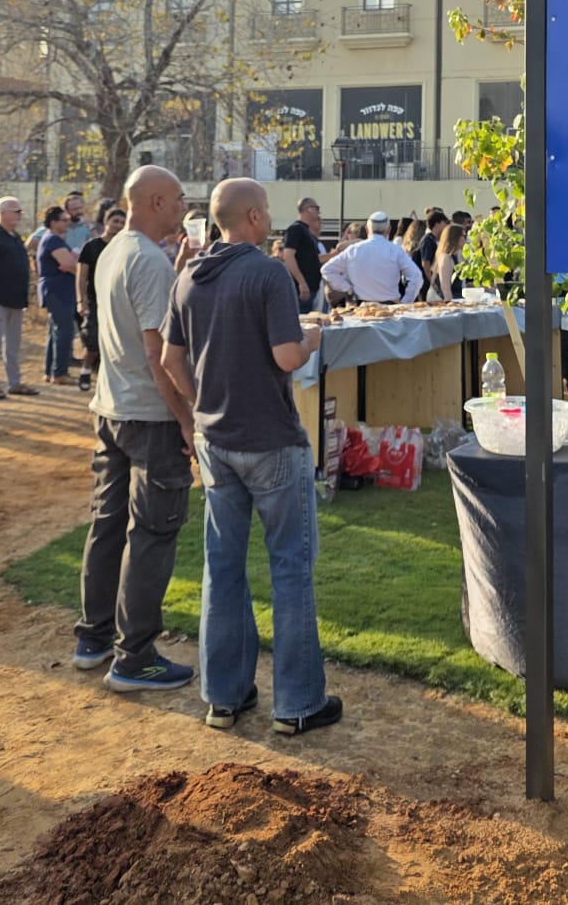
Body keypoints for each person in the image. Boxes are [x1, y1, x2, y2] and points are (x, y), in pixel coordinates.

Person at [162, 178, 341, 736]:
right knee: (290, 568)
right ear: (256, 217)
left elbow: (170, 359)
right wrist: (311, 339)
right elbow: (287, 356)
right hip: (270, 440)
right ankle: (298, 703)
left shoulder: (188, 274)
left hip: (216, 439)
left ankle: (224, 696)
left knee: (223, 569)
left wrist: (202, 402)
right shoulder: (266, 273)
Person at [75, 167, 197, 692]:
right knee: (151, 533)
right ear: (156, 201)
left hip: (112, 408)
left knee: (109, 524)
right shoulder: (147, 259)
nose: (184, 207)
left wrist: (177, 268)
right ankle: (135, 658)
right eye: (178, 199)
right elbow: (157, 353)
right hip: (147, 416)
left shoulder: (115, 250)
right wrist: (187, 419)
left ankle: (94, 637)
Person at [0, 197, 36, 399]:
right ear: (2, 213)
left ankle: (14, 382)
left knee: (13, 345)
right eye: (16, 211)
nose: (20, 215)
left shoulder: (16, 237)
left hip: (16, 299)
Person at [319, 212, 422, 305]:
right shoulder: (396, 251)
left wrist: (347, 288)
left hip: (361, 307)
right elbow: (416, 277)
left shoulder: (354, 250)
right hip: (389, 308)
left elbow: (327, 270)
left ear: (367, 229)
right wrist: (405, 302)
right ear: (389, 229)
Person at [76, 202, 124, 393]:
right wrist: (81, 301)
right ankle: (85, 369)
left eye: (122, 223)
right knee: (93, 340)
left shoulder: (123, 248)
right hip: (94, 300)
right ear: (106, 222)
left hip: (117, 301)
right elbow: (81, 277)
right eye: (115, 221)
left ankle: (108, 379)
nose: (118, 225)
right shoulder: (91, 247)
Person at [36, 205, 83, 383]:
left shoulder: (53, 239)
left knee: (55, 331)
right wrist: (80, 270)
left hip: (58, 290)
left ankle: (51, 371)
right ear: (53, 222)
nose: (67, 223)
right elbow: (69, 264)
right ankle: (60, 373)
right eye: (64, 220)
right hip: (58, 290)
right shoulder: (52, 240)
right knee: (65, 331)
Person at [278, 198, 326, 314]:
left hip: (310, 289)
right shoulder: (296, 229)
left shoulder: (307, 232)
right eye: (317, 208)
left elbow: (313, 259)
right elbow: (288, 256)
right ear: (308, 209)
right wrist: (302, 283)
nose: (319, 212)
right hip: (301, 290)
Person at [434, 223, 467, 307]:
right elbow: (445, 287)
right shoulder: (446, 258)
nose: (465, 239)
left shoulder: (457, 255)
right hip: (450, 302)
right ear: (455, 237)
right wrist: (451, 305)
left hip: (458, 299)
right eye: (463, 236)